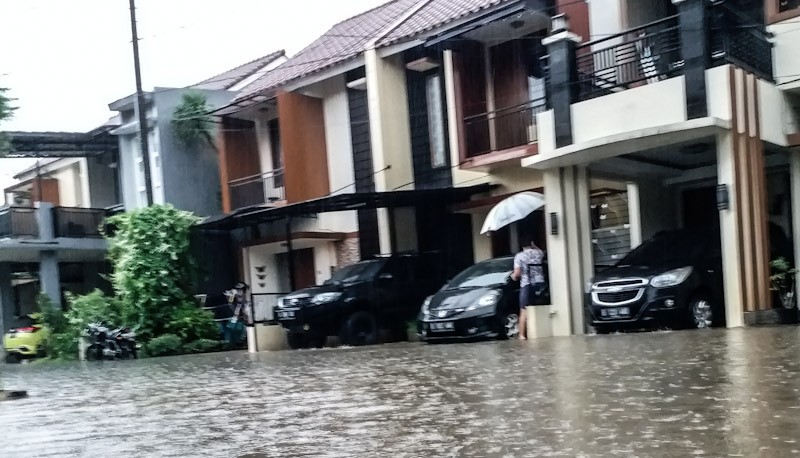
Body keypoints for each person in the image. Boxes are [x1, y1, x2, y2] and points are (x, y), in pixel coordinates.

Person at [511, 236, 546, 340]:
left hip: (527, 285)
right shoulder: (539, 253)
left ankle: (522, 335)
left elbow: (517, 274)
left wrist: (512, 276)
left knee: (523, 310)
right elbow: (540, 251)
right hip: (541, 284)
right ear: (531, 243)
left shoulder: (519, 256)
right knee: (539, 308)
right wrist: (534, 244)